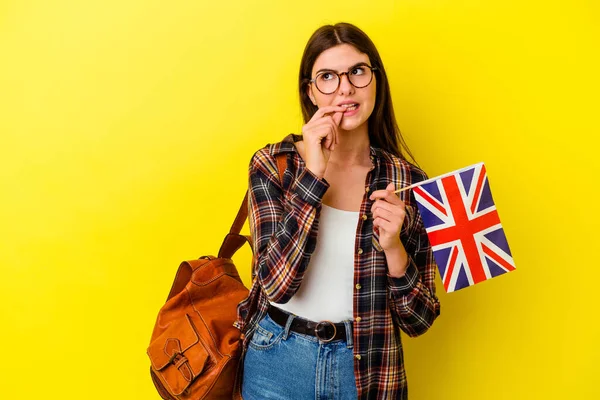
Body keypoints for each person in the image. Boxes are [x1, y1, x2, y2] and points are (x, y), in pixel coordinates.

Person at [234, 22, 441, 400]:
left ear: (376, 81)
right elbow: (277, 285)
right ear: (310, 92)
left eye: (358, 72)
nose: (345, 88)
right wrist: (312, 175)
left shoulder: (406, 180)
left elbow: (419, 319)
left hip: (367, 369)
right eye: (327, 76)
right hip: (277, 363)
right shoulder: (273, 165)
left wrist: (394, 247)